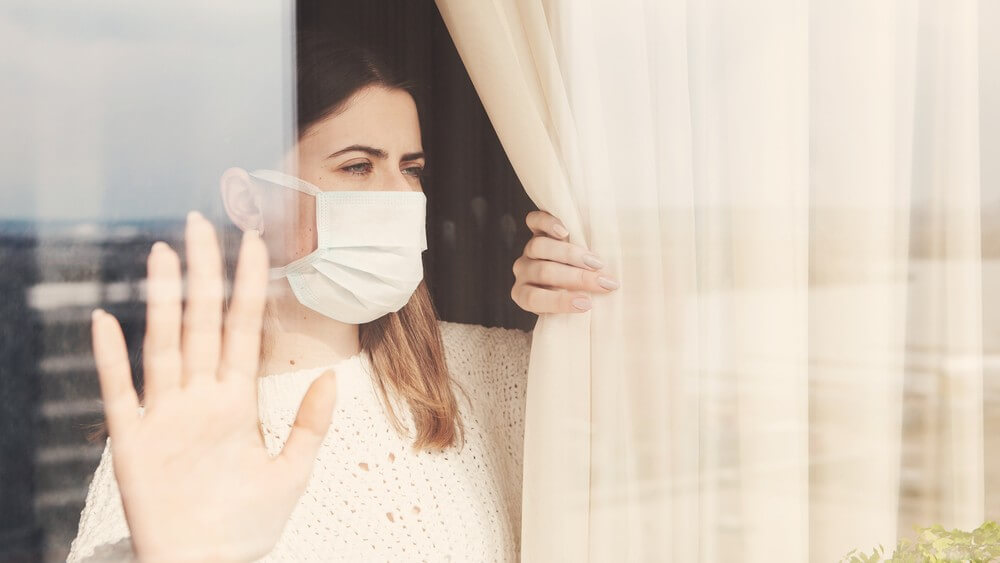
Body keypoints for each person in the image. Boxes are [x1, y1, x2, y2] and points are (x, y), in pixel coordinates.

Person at [67, 35, 619, 562]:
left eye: (411, 169)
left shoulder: (490, 373)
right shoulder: (181, 429)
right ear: (248, 200)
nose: (401, 196)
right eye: (358, 166)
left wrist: (595, 298)